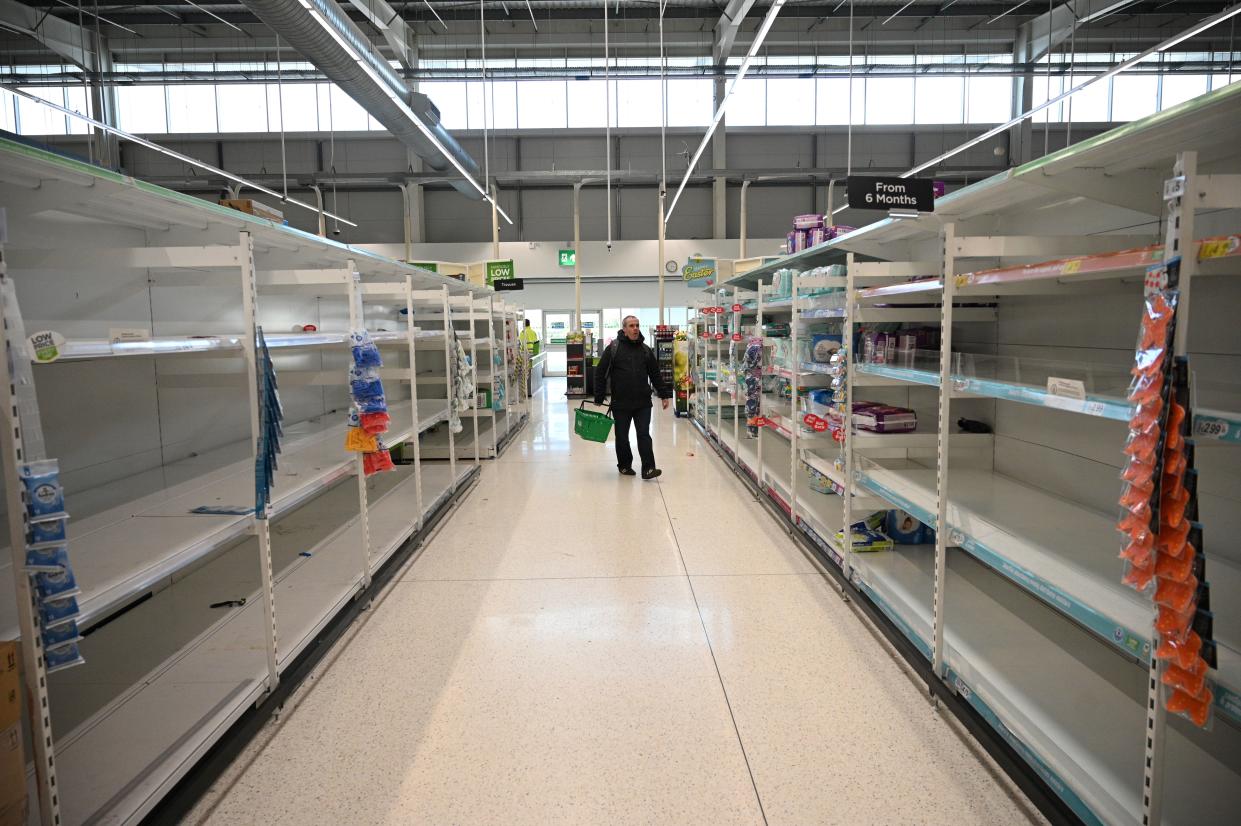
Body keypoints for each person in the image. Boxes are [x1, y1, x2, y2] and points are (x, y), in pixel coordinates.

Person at [593, 316, 671, 479]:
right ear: (624, 329)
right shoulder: (613, 348)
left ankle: (648, 468)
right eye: (631, 326)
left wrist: (664, 394)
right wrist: (599, 396)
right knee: (622, 437)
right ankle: (624, 465)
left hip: (643, 402)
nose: (635, 328)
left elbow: (655, 374)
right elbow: (600, 373)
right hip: (620, 402)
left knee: (643, 434)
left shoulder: (645, 349)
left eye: (637, 325)